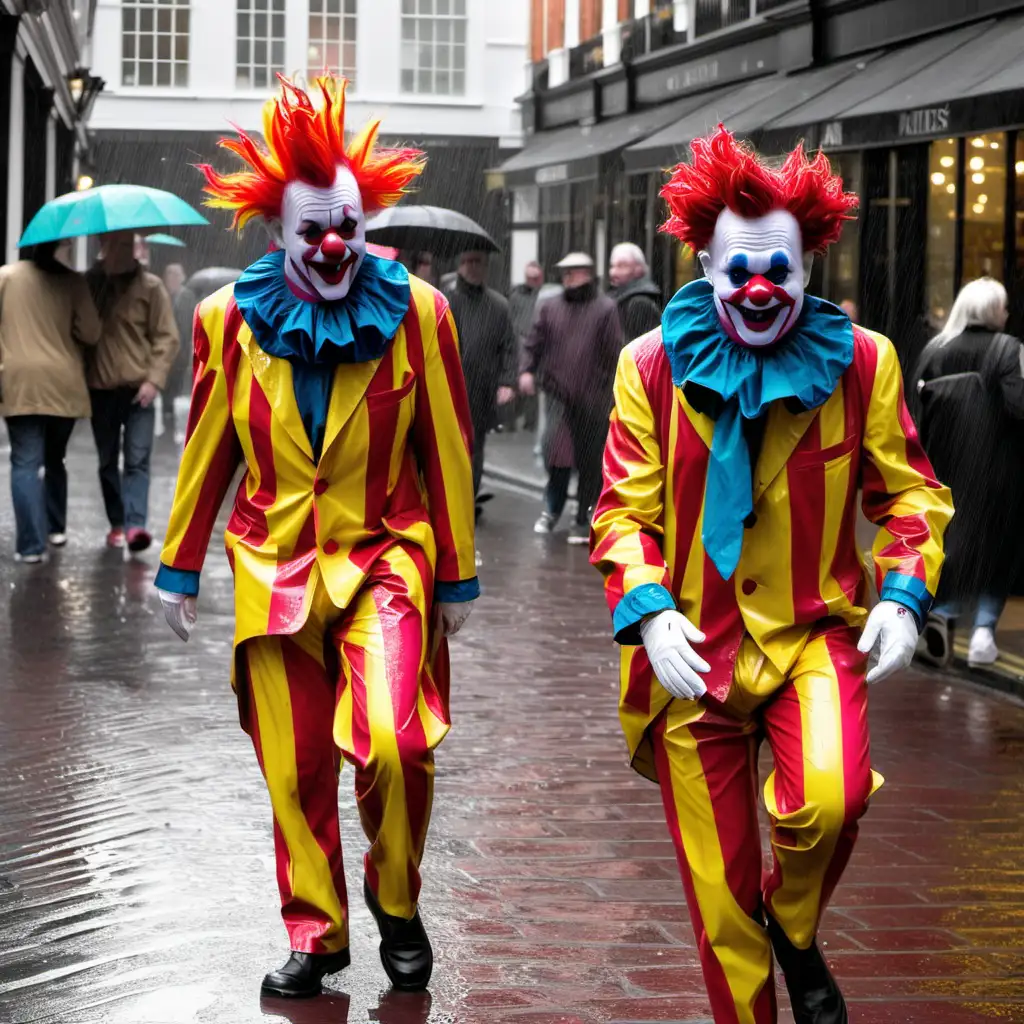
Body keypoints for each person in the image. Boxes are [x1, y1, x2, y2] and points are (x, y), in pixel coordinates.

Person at [590, 126, 953, 1024]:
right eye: (739, 271)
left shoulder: (863, 362)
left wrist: (905, 595)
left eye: (779, 272)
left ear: (807, 268)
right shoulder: (651, 367)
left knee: (830, 800)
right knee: (719, 906)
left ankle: (794, 924)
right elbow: (621, 511)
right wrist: (647, 611)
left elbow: (912, 497)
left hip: (812, 637)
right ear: (706, 266)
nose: (760, 289)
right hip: (691, 657)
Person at [154, 76, 478, 999]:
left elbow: (448, 448)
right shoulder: (227, 320)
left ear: (365, 224)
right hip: (271, 567)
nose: (334, 246)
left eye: (348, 227)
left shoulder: (419, 313)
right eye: (313, 231)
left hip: (387, 554)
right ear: (279, 233)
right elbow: (207, 446)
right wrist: (177, 567)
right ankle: (317, 930)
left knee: (393, 742)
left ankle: (398, 898)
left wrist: (455, 577)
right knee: (293, 768)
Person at [914, 277, 1024, 668]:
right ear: (994, 310)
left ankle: (941, 615)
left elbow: (916, 413)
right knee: (997, 548)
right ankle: (982, 633)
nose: (1007, 313)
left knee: (952, 546)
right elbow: (1018, 406)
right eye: (1004, 306)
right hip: (995, 467)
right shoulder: (1007, 349)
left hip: (945, 468)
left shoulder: (935, 349)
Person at [0, 240, 101, 561]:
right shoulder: (74, 282)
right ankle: (56, 528)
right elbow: (92, 333)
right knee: (55, 458)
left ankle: (30, 547)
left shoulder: (6, 277)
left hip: (20, 382)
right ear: (60, 248)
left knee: (25, 462)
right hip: (63, 384)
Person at [86, 229, 179, 552]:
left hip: (140, 391)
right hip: (101, 389)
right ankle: (117, 522)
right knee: (107, 461)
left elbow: (167, 337)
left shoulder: (151, 287)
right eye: (118, 245)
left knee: (138, 460)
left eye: (131, 245)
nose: (128, 252)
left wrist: (154, 380)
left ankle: (136, 525)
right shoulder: (89, 285)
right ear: (103, 246)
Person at [520, 252, 623, 544]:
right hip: (558, 396)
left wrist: (610, 390)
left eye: (574, 272)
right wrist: (526, 370)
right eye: (564, 272)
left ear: (588, 274)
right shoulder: (550, 306)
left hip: (592, 398)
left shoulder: (605, 308)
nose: (568, 277)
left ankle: (583, 517)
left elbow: (614, 352)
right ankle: (553, 509)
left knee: (590, 462)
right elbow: (533, 342)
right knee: (557, 456)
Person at [446, 249, 517, 505]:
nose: (472, 267)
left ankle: (467, 498)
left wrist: (508, 381)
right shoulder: (445, 301)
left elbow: (508, 345)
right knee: (448, 446)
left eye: (478, 262)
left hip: (481, 391)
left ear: (486, 267)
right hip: (448, 387)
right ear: (459, 265)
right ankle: (449, 497)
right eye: (467, 261)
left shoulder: (498, 306)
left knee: (474, 447)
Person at [508, 261, 544, 432]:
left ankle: (530, 421)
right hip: (519, 340)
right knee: (515, 380)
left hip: (536, 342)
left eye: (535, 278)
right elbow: (511, 318)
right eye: (530, 278)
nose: (533, 281)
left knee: (532, 383)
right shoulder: (516, 296)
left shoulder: (543, 296)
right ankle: (511, 419)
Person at [162, 262, 199, 416]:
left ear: (179, 278)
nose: (169, 280)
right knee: (168, 380)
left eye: (172, 276)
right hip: (168, 347)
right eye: (167, 276)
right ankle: (167, 408)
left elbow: (186, 325)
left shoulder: (187, 296)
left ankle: (170, 409)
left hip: (180, 348)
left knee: (175, 380)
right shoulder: (166, 296)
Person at [607, 242, 662, 341]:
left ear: (638, 269)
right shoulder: (623, 298)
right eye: (612, 266)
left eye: (622, 266)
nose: (613, 272)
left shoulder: (638, 303)